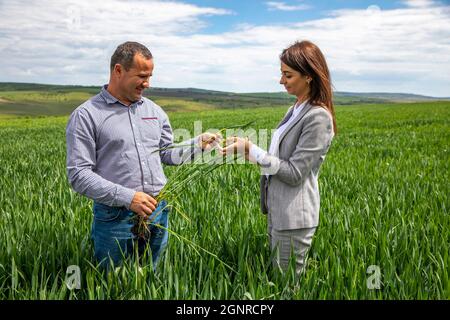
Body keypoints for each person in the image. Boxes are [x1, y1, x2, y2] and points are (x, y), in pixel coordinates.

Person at [66, 41, 218, 271]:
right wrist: (129, 197)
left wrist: (198, 144)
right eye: (141, 76)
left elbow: (166, 153)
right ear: (118, 70)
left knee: (152, 280)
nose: (147, 84)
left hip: (158, 211)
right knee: (113, 284)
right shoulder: (87, 115)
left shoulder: (154, 111)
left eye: (150, 76)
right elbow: (78, 174)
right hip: (114, 216)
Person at [221, 40, 336, 274]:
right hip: (278, 210)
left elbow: (294, 173)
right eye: (282, 74)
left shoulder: (318, 117)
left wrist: (252, 150)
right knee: (278, 279)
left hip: (295, 217)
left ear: (309, 76)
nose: (281, 80)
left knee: (286, 286)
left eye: (288, 75)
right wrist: (245, 151)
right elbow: (278, 157)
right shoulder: (295, 109)